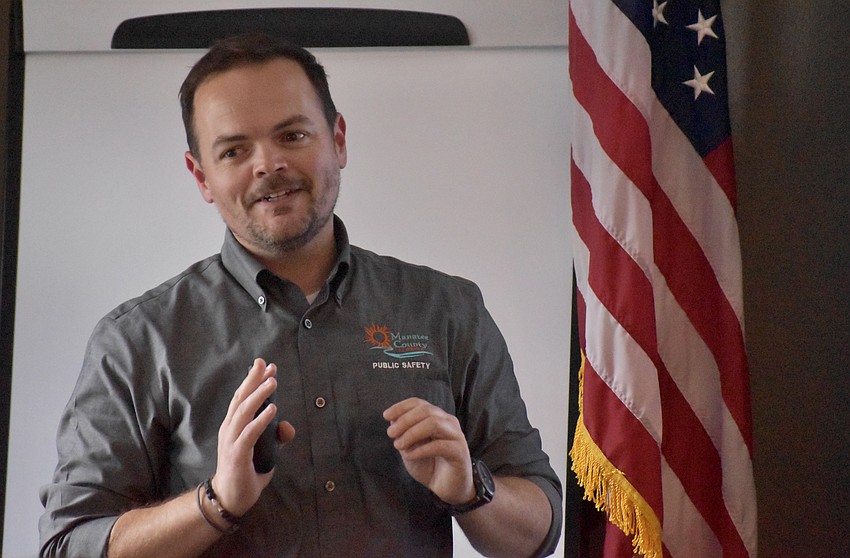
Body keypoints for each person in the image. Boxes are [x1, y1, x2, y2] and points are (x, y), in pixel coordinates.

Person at [38, 33, 562, 558]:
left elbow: (539, 531)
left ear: (337, 140)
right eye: (234, 150)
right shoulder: (137, 341)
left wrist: (472, 488)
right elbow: (68, 546)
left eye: (291, 135)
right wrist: (215, 503)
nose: (268, 164)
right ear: (202, 176)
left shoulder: (447, 309)